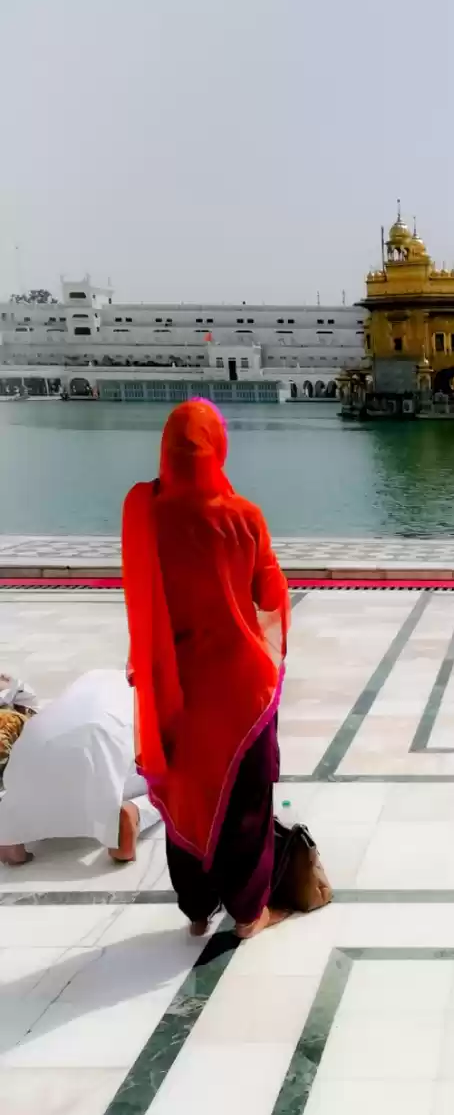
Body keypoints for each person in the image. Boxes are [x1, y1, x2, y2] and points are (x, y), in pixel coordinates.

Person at [121, 399, 290, 939]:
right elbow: (269, 596)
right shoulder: (244, 516)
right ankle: (248, 914)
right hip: (240, 684)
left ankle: (196, 910)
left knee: (186, 790)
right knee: (245, 801)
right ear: (219, 446)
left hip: (175, 683)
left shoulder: (147, 513)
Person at [0, 669, 160, 866]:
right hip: (101, 755)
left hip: (34, 751)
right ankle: (135, 812)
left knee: (27, 786)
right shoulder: (147, 690)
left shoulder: (91, 678)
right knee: (173, 782)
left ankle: (12, 833)